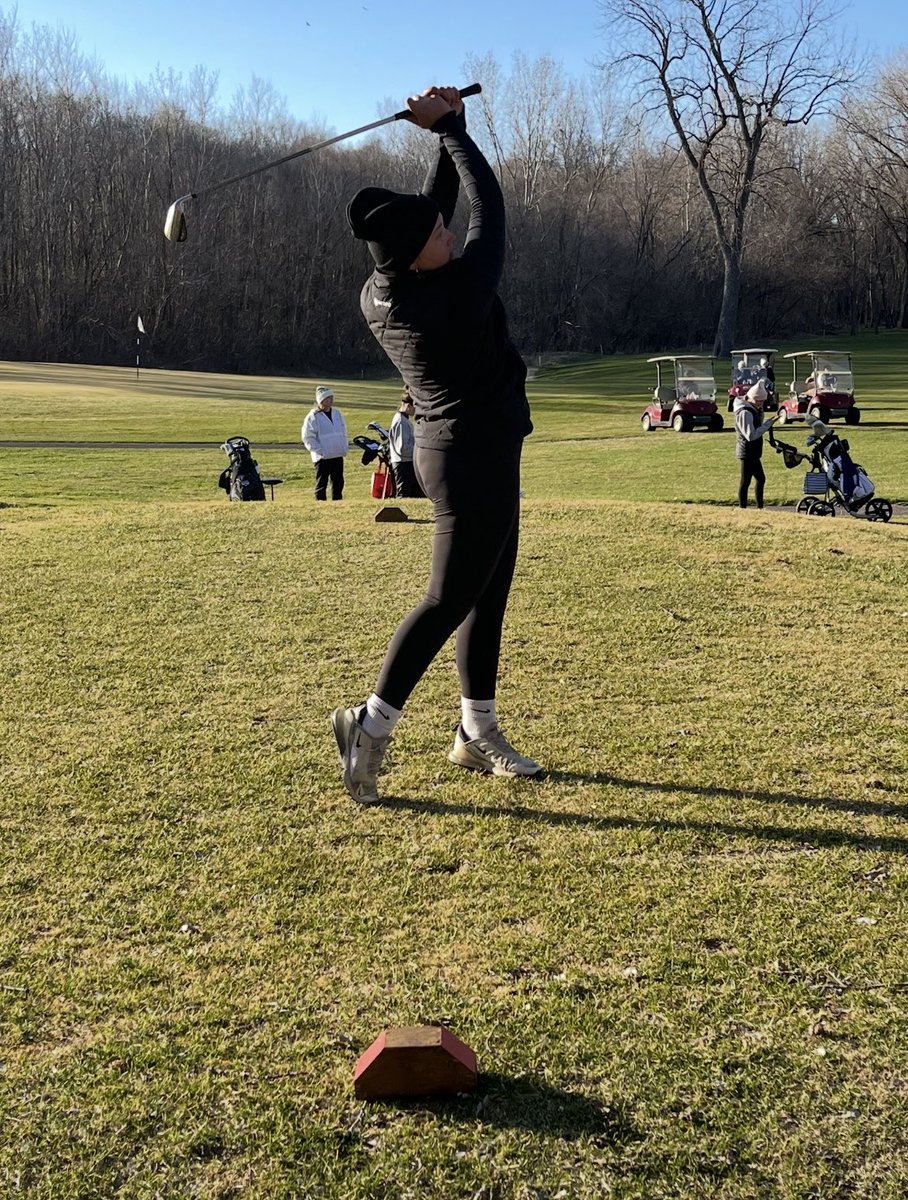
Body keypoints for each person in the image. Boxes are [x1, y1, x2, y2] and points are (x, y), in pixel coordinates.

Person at [331, 84, 539, 805]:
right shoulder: (459, 290)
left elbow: (431, 216)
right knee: (450, 597)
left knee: (489, 590)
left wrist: (444, 132)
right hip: (470, 458)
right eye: (439, 239)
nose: (450, 237)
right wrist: (451, 129)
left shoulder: (385, 286)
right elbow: (491, 205)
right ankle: (370, 723)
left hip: (466, 451)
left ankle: (474, 731)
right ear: (424, 259)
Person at [733, 377, 777, 509]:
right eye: (758, 401)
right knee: (746, 481)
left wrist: (762, 415)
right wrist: (768, 424)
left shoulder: (752, 409)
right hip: (747, 451)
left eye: (762, 402)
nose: (761, 404)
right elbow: (751, 435)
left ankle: (759, 507)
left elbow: (757, 425)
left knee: (760, 479)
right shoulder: (745, 412)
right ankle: (744, 508)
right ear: (751, 398)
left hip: (753, 451)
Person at [302, 385, 348, 501]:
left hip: (337, 454)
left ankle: (338, 501)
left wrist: (343, 446)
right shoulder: (313, 417)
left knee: (338, 481)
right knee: (322, 482)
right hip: (322, 457)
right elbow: (308, 437)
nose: (331, 400)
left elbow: (343, 431)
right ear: (321, 400)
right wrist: (320, 450)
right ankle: (320, 502)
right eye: (328, 398)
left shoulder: (337, 414)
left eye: (332, 397)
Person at [388, 390, 425, 498]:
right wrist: (418, 449)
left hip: (406, 462)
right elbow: (403, 448)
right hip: (403, 464)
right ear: (408, 405)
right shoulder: (400, 421)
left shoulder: (404, 420)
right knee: (404, 494)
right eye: (415, 406)